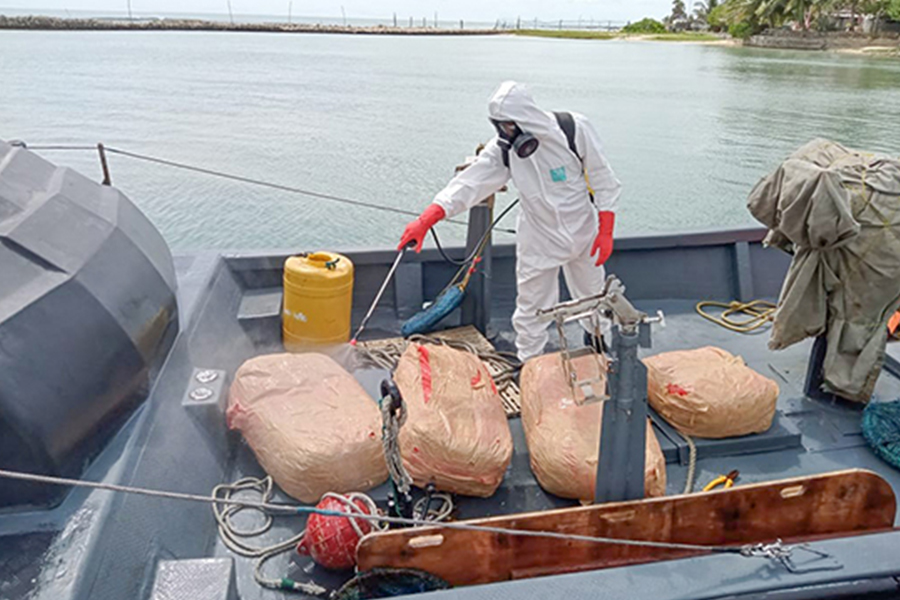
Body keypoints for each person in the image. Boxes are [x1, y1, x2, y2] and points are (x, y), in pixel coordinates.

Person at [398, 81, 621, 362]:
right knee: (531, 306)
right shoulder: (503, 150)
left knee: (593, 295)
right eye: (500, 126)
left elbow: (603, 180)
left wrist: (606, 230)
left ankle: (599, 345)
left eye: (511, 126)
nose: (506, 133)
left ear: (528, 117)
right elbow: (469, 183)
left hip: (585, 232)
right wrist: (428, 218)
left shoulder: (573, 129)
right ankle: (529, 364)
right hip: (539, 238)